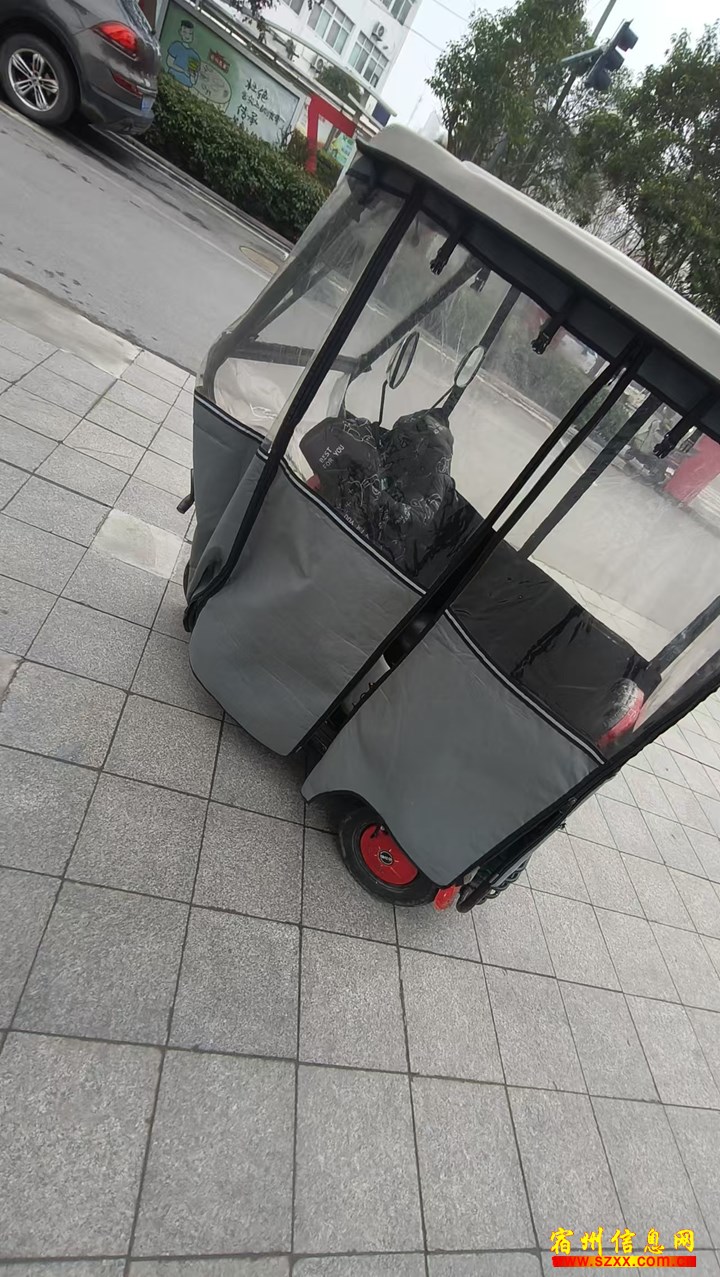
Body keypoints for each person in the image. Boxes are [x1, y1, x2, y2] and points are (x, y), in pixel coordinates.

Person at [166, 21, 200, 88]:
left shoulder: (195, 56)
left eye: (190, 33)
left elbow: (193, 81)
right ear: (180, 32)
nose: (187, 36)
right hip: (171, 80)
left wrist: (191, 75)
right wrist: (183, 71)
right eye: (184, 32)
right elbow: (169, 62)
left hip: (185, 86)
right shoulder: (176, 45)